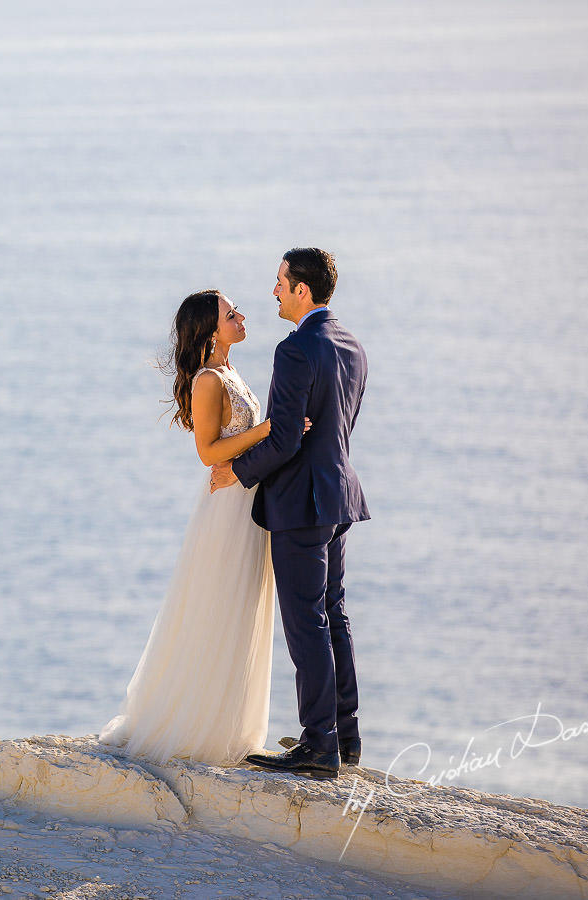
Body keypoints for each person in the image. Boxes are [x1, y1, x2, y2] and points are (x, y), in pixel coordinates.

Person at [98, 289, 310, 767]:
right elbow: (209, 453)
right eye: (230, 314)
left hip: (248, 500)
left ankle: (231, 723)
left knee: (244, 607)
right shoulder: (208, 380)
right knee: (220, 603)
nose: (241, 317)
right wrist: (273, 428)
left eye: (236, 311)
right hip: (227, 508)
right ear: (212, 331)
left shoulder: (230, 372)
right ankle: (199, 726)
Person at [209, 248, 369, 779]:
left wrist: (237, 471)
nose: (274, 290)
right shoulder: (352, 345)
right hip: (339, 494)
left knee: (306, 624)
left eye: (280, 282)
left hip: (301, 503)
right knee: (334, 615)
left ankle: (319, 744)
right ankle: (345, 737)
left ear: (302, 290)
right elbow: (335, 428)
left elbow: (284, 438)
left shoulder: (296, 349)